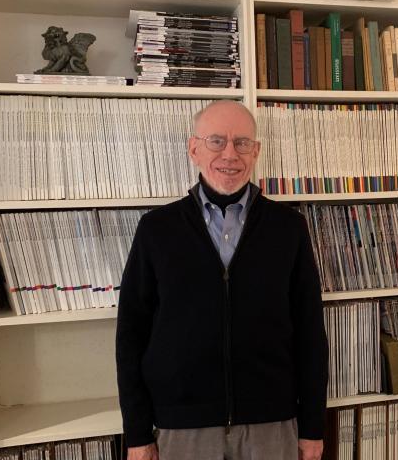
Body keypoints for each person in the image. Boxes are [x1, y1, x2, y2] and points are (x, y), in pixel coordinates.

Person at [116, 100, 328, 460]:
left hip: (271, 424)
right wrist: (137, 433)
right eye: (217, 141)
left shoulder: (289, 228)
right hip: (182, 428)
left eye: (242, 143)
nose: (230, 154)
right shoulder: (156, 230)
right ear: (193, 148)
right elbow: (130, 336)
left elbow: (310, 333)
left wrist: (312, 427)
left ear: (256, 151)